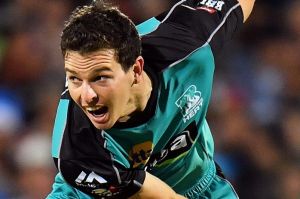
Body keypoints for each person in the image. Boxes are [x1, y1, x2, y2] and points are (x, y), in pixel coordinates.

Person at [47, 0, 255, 198]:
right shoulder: (76, 148)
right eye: (74, 78)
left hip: (197, 185)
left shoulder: (187, 44)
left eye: (101, 78)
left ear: (136, 69)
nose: (87, 96)